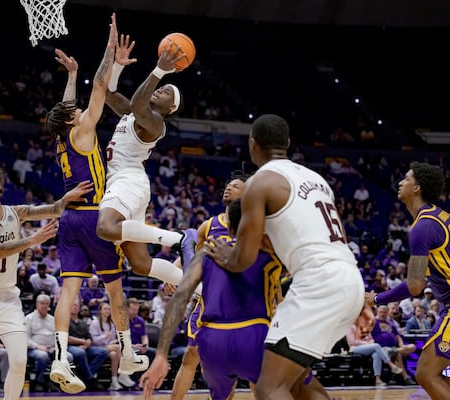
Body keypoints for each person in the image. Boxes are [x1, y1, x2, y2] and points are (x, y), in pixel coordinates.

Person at [204, 114, 364, 400]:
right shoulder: (317, 179)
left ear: (253, 145)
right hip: (349, 277)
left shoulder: (259, 182)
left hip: (318, 283)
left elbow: (242, 260)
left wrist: (229, 255)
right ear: (287, 144)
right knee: (296, 381)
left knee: (269, 387)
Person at [46, 15, 149, 394]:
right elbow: (102, 86)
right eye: (76, 110)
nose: (80, 111)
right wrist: (109, 48)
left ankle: (59, 358)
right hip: (94, 219)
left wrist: (71, 75)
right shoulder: (83, 128)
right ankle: (127, 351)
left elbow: (65, 106)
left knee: (67, 293)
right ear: (74, 119)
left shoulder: (62, 139)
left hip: (69, 222)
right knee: (115, 290)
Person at [0, 159, 92, 400]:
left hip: (8, 296)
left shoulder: (15, 212)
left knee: (20, 361)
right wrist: (33, 240)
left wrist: (66, 199)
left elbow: (51, 209)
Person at [140, 199, 283, 399]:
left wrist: (162, 354)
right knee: (281, 387)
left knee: (239, 385)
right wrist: (175, 268)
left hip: (220, 335)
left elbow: (179, 295)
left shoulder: (217, 252)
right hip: (245, 328)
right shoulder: (267, 248)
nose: (230, 188)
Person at [96, 21, 192, 289]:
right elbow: (108, 94)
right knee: (140, 264)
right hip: (125, 184)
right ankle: (198, 289)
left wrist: (160, 69)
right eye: (163, 87)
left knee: (105, 227)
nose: (162, 90)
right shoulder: (133, 113)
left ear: (170, 108)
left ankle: (179, 239)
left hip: (129, 181)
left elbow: (139, 103)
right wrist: (118, 65)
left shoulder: (155, 124)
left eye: (167, 93)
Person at [366, 162, 450, 398]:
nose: (401, 182)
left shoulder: (422, 227)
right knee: (439, 376)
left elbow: (415, 285)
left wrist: (376, 298)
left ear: (417, 188)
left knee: (426, 373)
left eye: (406, 178)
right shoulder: (440, 216)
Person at [169, 173, 248, 400]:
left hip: (238, 305)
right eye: (228, 184)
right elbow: (194, 255)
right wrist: (173, 272)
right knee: (191, 355)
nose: (228, 188)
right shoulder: (209, 225)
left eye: (235, 186)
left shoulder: (252, 226)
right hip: (208, 303)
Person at [345, 304, 403, 387]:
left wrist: (370, 343)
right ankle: (392, 365)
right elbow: (353, 342)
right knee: (376, 346)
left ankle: (378, 379)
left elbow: (371, 338)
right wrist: (368, 343)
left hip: (367, 347)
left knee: (376, 355)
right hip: (354, 348)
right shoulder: (350, 327)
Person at [90, 301, 136, 390]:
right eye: (105, 309)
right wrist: (105, 336)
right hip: (97, 347)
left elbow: (113, 339)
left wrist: (112, 341)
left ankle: (114, 381)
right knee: (118, 347)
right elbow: (94, 340)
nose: (107, 311)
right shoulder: (94, 323)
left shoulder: (111, 324)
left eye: (109, 309)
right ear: (100, 311)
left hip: (109, 348)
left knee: (114, 355)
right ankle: (123, 373)